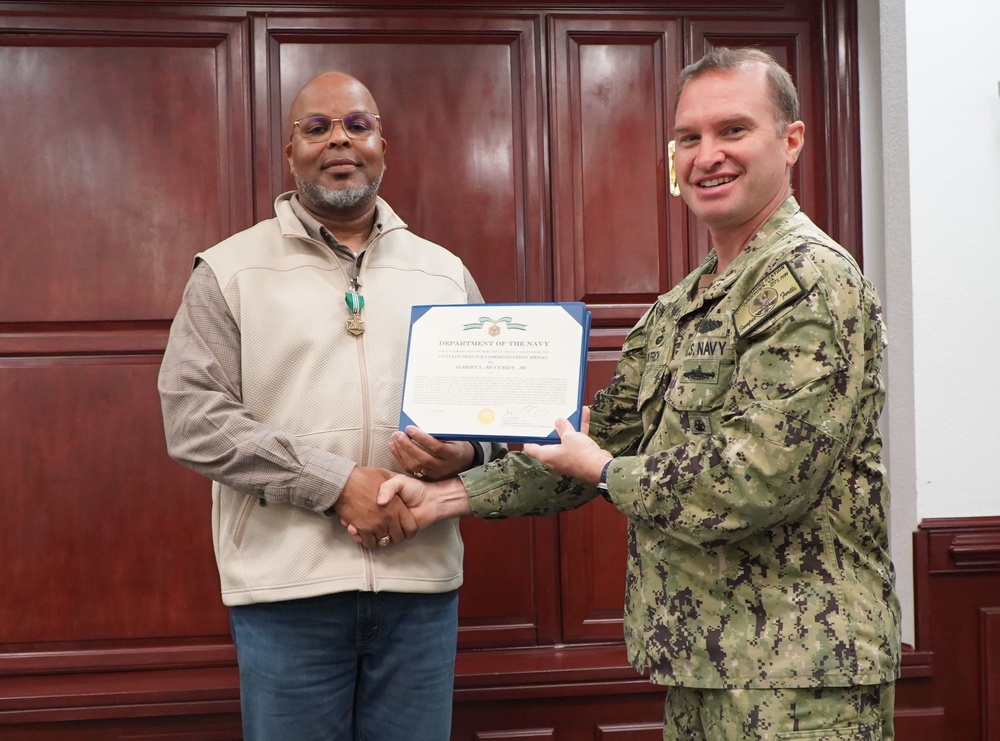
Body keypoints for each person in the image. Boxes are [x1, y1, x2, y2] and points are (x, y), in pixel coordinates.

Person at [375, 48, 902, 740]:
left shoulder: (809, 281)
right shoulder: (681, 305)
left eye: (733, 130)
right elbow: (596, 442)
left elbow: (757, 477)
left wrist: (601, 470)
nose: (707, 155)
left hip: (803, 677)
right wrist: (444, 497)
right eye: (689, 138)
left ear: (791, 139)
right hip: (705, 663)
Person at [158, 71, 502, 741]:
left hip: (421, 590)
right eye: (316, 128)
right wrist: (337, 484)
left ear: (382, 145)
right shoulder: (228, 271)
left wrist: (464, 451)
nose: (338, 139)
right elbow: (194, 421)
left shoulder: (444, 271)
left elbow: (492, 418)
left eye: (356, 125)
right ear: (291, 153)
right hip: (287, 597)